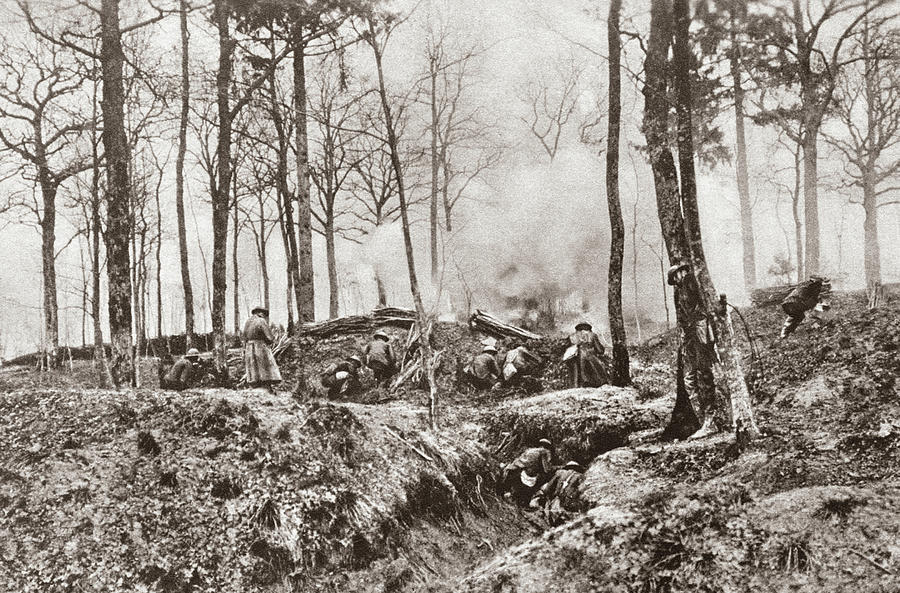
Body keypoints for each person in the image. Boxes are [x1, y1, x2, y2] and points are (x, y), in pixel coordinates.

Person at [667, 262, 718, 439]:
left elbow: (704, 308)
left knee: (705, 374)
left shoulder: (692, 283)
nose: (678, 278)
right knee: (689, 379)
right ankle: (702, 418)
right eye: (675, 277)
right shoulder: (678, 292)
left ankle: (711, 420)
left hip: (700, 333)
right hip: (689, 337)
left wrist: (699, 327)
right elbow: (681, 316)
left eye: (678, 274)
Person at [501, 438, 554, 506]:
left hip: (519, 469)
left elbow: (520, 460)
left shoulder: (530, 450)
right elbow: (546, 469)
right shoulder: (544, 452)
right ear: (547, 446)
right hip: (530, 475)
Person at [530, 460, 586, 526]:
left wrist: (543, 495)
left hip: (558, 500)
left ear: (567, 467)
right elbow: (581, 491)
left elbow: (549, 487)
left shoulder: (560, 472)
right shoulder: (581, 477)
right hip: (569, 504)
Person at [243, 306, 282, 393]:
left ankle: (255, 385)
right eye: (263, 314)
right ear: (260, 313)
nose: (264, 316)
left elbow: (244, 336)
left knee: (253, 367)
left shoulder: (248, 322)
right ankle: (265, 386)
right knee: (265, 366)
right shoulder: (261, 321)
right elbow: (269, 337)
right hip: (260, 346)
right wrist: (271, 340)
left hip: (249, 346)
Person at [565, 322, 609, 387]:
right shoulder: (592, 335)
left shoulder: (571, 336)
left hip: (574, 360)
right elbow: (600, 350)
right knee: (599, 366)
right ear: (588, 328)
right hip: (590, 359)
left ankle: (576, 385)